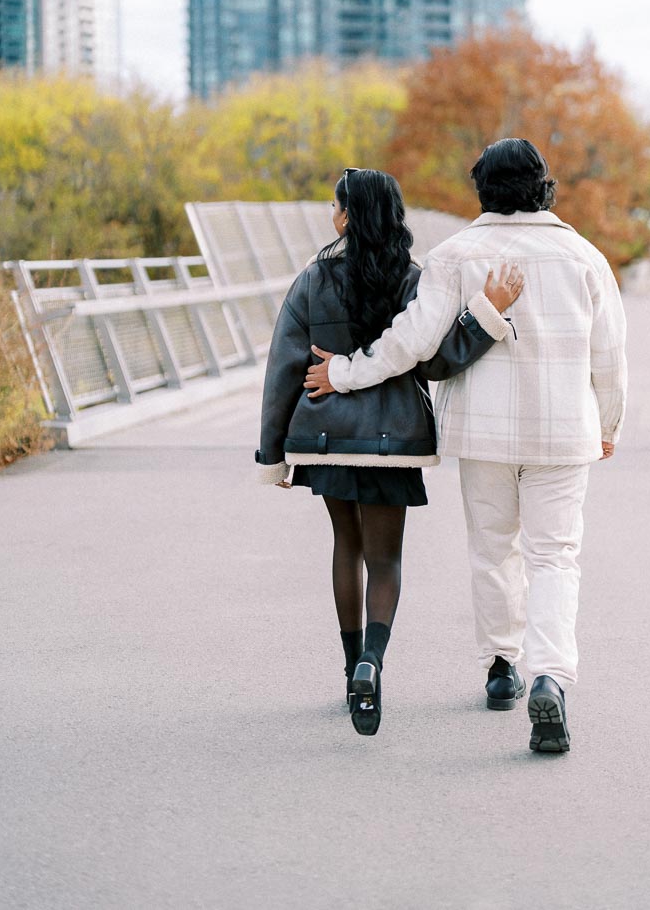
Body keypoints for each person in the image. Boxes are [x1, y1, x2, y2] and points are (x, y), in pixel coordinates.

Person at [305, 139, 627, 755]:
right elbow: (610, 356)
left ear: (482, 189)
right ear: (543, 188)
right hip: (563, 432)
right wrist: (609, 422)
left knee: (492, 550)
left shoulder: (454, 256)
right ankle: (550, 677)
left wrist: (343, 373)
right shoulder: (586, 258)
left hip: (482, 434)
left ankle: (502, 666)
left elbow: (411, 343)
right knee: (554, 556)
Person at [255, 167, 524, 737]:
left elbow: (283, 366)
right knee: (386, 559)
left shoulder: (313, 280)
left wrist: (273, 451)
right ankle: (374, 663)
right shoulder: (413, 280)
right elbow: (434, 359)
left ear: (346, 215)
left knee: (345, 545)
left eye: (336, 206)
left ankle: (351, 665)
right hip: (392, 440)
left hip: (325, 436)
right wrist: (486, 320)